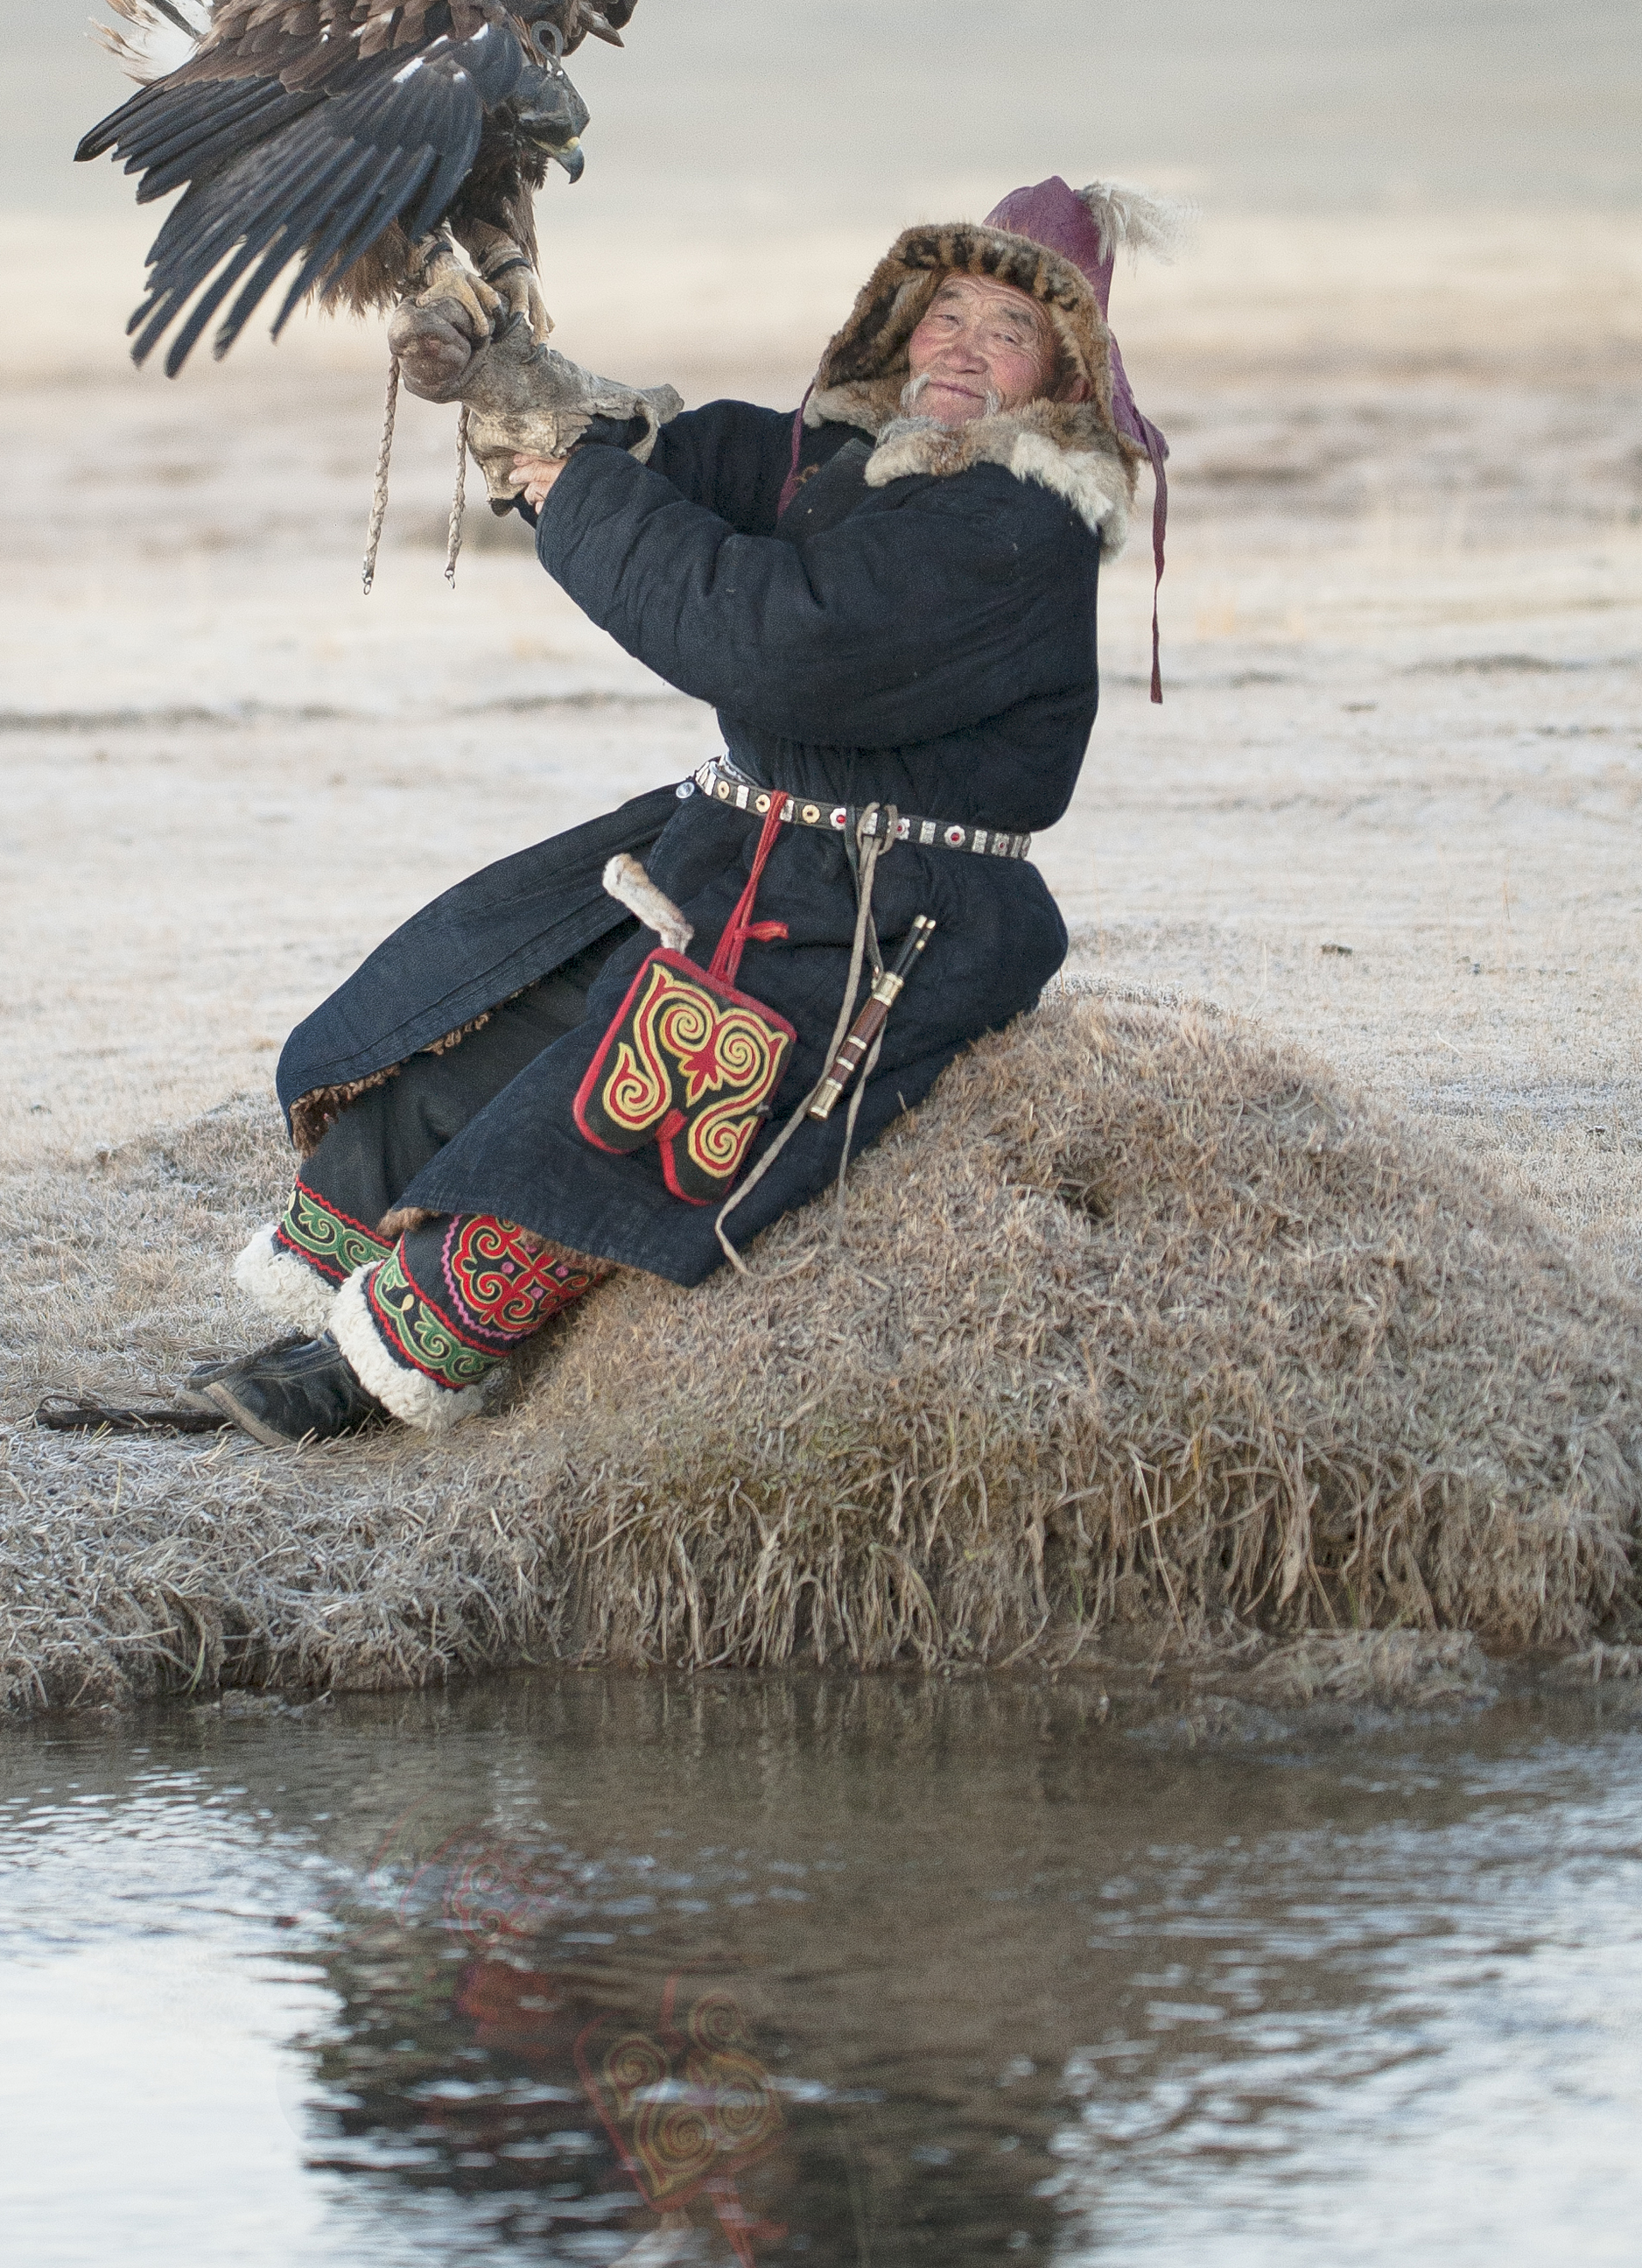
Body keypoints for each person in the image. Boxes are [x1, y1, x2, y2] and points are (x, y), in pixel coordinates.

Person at [188, 179, 1172, 1443]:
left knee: (635, 1109)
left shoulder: (1014, 520)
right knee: (490, 1009)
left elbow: (777, 637)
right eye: (948, 313)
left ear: (1062, 378)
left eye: (1009, 331)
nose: (964, 349)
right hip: (744, 847)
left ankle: (388, 1363)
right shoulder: (865, 458)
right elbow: (700, 457)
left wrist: (579, 491)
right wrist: (521, 379)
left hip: (881, 915)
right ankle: (338, 1285)